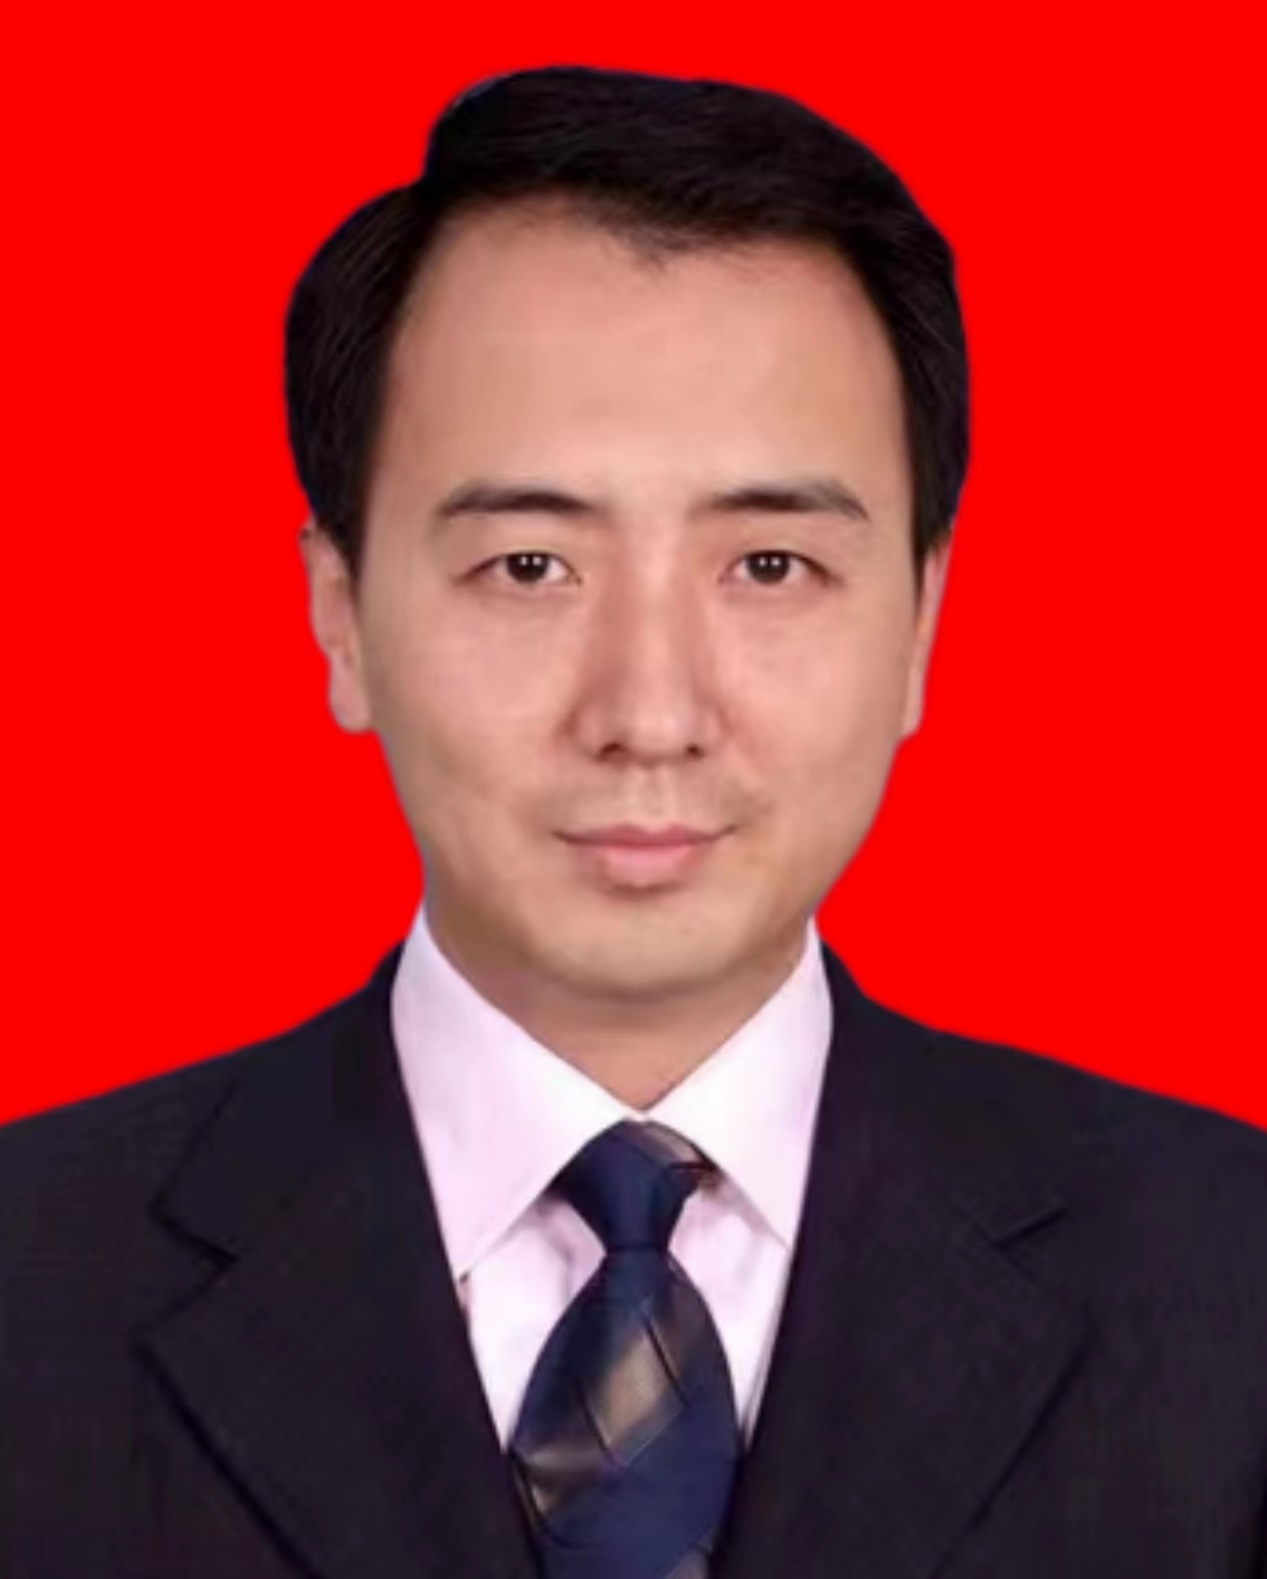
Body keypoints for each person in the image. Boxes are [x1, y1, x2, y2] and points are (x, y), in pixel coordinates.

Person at [2, 63, 1265, 1579]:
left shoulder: (1227, 1280)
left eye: (770, 566)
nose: (650, 712)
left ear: (923, 622)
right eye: (530, 567)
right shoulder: (32, 1280)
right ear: (340, 614)